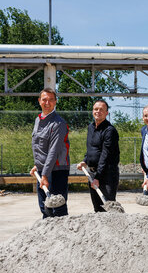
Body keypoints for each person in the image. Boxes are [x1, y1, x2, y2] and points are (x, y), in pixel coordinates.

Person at [30, 88, 70, 218]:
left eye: (51, 100)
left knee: (58, 208)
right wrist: (38, 165)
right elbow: (40, 147)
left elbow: (53, 151)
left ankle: (63, 235)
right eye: (44, 99)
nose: (47, 103)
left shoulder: (59, 123)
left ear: (55, 102)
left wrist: (45, 176)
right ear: (39, 101)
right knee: (44, 208)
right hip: (43, 170)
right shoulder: (38, 120)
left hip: (57, 170)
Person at [77, 100, 120, 212]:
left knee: (108, 207)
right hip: (93, 173)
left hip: (107, 175)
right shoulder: (91, 127)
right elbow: (92, 149)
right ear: (92, 111)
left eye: (101, 109)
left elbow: (105, 156)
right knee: (97, 208)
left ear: (106, 113)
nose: (98, 111)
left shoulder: (110, 131)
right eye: (96, 109)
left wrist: (98, 178)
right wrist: (85, 161)